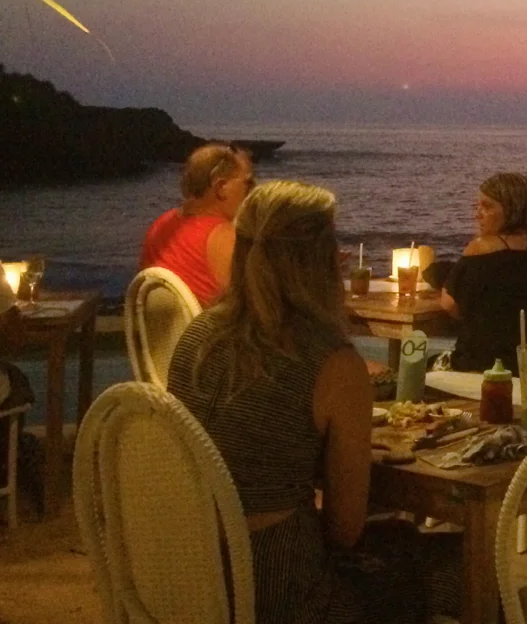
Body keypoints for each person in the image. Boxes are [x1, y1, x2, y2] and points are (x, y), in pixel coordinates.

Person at [167, 180, 458, 624]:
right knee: (462, 565)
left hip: (189, 574)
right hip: (281, 594)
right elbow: (344, 530)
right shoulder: (331, 363)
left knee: (397, 538)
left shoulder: (196, 338)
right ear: (318, 259)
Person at [440, 172, 527, 373]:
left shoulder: (481, 249)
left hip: (484, 369)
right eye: (477, 206)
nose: (478, 214)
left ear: (512, 210)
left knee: (417, 366)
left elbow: (449, 304)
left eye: (487, 207)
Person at [139, 143, 253, 307]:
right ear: (221, 187)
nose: (253, 190)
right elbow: (251, 304)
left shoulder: (159, 225)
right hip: (211, 323)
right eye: (248, 183)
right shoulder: (226, 237)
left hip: (161, 323)